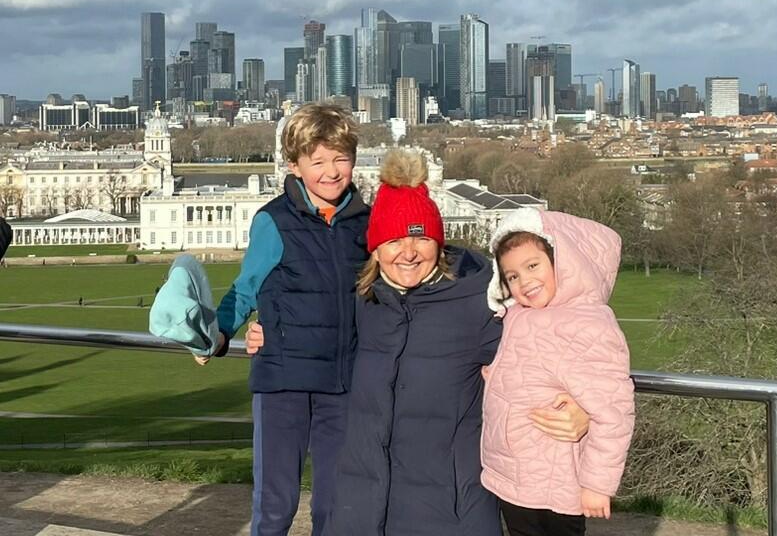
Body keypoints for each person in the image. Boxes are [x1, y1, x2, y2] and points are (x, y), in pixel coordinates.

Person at [243, 149, 591, 535]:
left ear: (438, 244)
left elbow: (554, 348)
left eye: (421, 238)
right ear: (374, 248)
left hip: (452, 512)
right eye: (393, 241)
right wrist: (268, 332)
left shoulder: (480, 300)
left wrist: (581, 405)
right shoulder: (361, 301)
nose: (407, 253)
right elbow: (311, 322)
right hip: (364, 509)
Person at [198, 103, 371, 536]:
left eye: (341, 159)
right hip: (284, 380)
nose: (332, 171)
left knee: (337, 505)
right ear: (294, 166)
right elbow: (246, 286)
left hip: (344, 381)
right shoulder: (273, 221)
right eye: (318, 162)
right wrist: (218, 334)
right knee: (276, 504)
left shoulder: (366, 223)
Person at [483, 208, 635, 536]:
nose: (525, 282)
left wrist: (597, 484)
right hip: (517, 476)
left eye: (533, 266)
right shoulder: (519, 315)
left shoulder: (587, 325)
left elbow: (613, 412)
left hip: (555, 483)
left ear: (561, 262)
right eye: (512, 276)